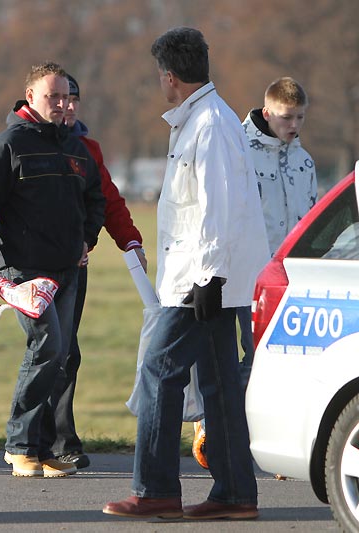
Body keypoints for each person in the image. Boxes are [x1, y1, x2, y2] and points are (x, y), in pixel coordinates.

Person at [103, 27, 269, 519]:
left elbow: (220, 206)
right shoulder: (202, 119)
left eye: (160, 75)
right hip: (209, 278)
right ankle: (235, 493)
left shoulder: (209, 124)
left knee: (159, 371)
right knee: (218, 383)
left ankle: (155, 489)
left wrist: (210, 277)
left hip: (201, 281)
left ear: (170, 76)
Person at [0, 62, 106, 478]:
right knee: (47, 347)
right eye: (52, 96)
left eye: (66, 97)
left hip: (67, 269)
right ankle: (19, 446)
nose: (61, 104)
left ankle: (41, 449)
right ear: (30, 98)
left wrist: (87, 238)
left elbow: (95, 198)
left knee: (59, 357)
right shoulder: (9, 144)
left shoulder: (75, 147)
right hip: (24, 270)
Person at [192, 77, 317, 469]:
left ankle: (253, 438)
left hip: (285, 279)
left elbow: (309, 217)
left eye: (299, 117)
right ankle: (215, 428)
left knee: (272, 359)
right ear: (267, 112)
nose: (293, 125)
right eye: (286, 117)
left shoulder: (304, 161)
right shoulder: (238, 148)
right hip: (237, 271)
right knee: (229, 357)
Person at [52, 74, 146, 470]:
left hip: (75, 264)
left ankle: (57, 441)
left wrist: (130, 241)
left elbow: (107, 200)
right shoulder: (18, 143)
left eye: (75, 98)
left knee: (65, 351)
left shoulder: (87, 150)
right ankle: (34, 439)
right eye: (61, 98)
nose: (69, 106)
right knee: (49, 350)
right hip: (31, 266)